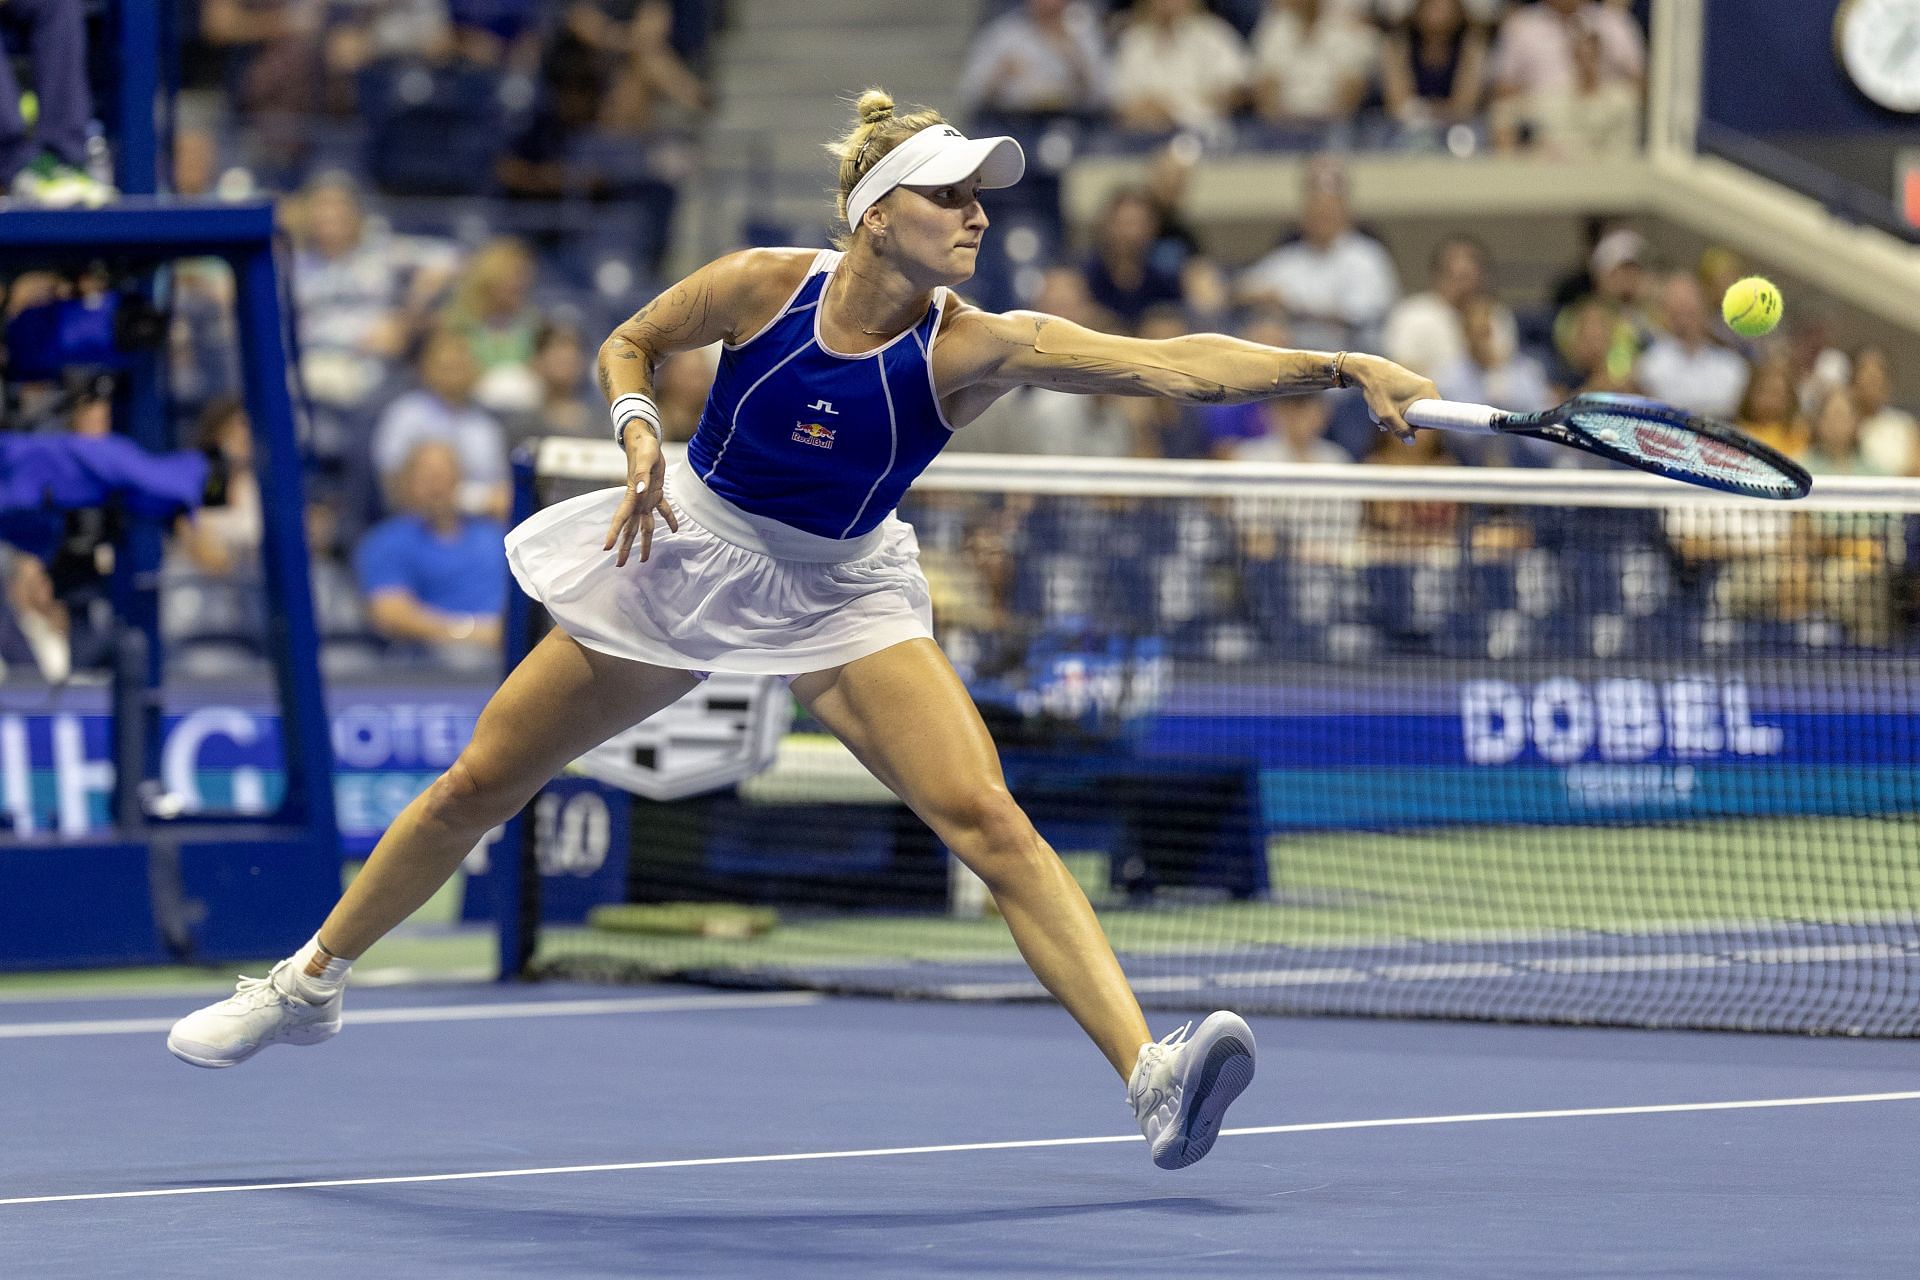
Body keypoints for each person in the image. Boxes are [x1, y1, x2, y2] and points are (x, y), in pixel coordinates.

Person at [167, 87, 1436, 1171]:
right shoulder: (767, 286)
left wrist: (1339, 366)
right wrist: (637, 429)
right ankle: (306, 982)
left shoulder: (980, 348)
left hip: (843, 588)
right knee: (479, 778)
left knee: (989, 818)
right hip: (689, 548)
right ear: (878, 211)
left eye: (983, 198)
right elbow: (627, 342)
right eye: (950, 195)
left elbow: (1171, 364)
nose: (978, 214)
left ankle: (1150, 1073)